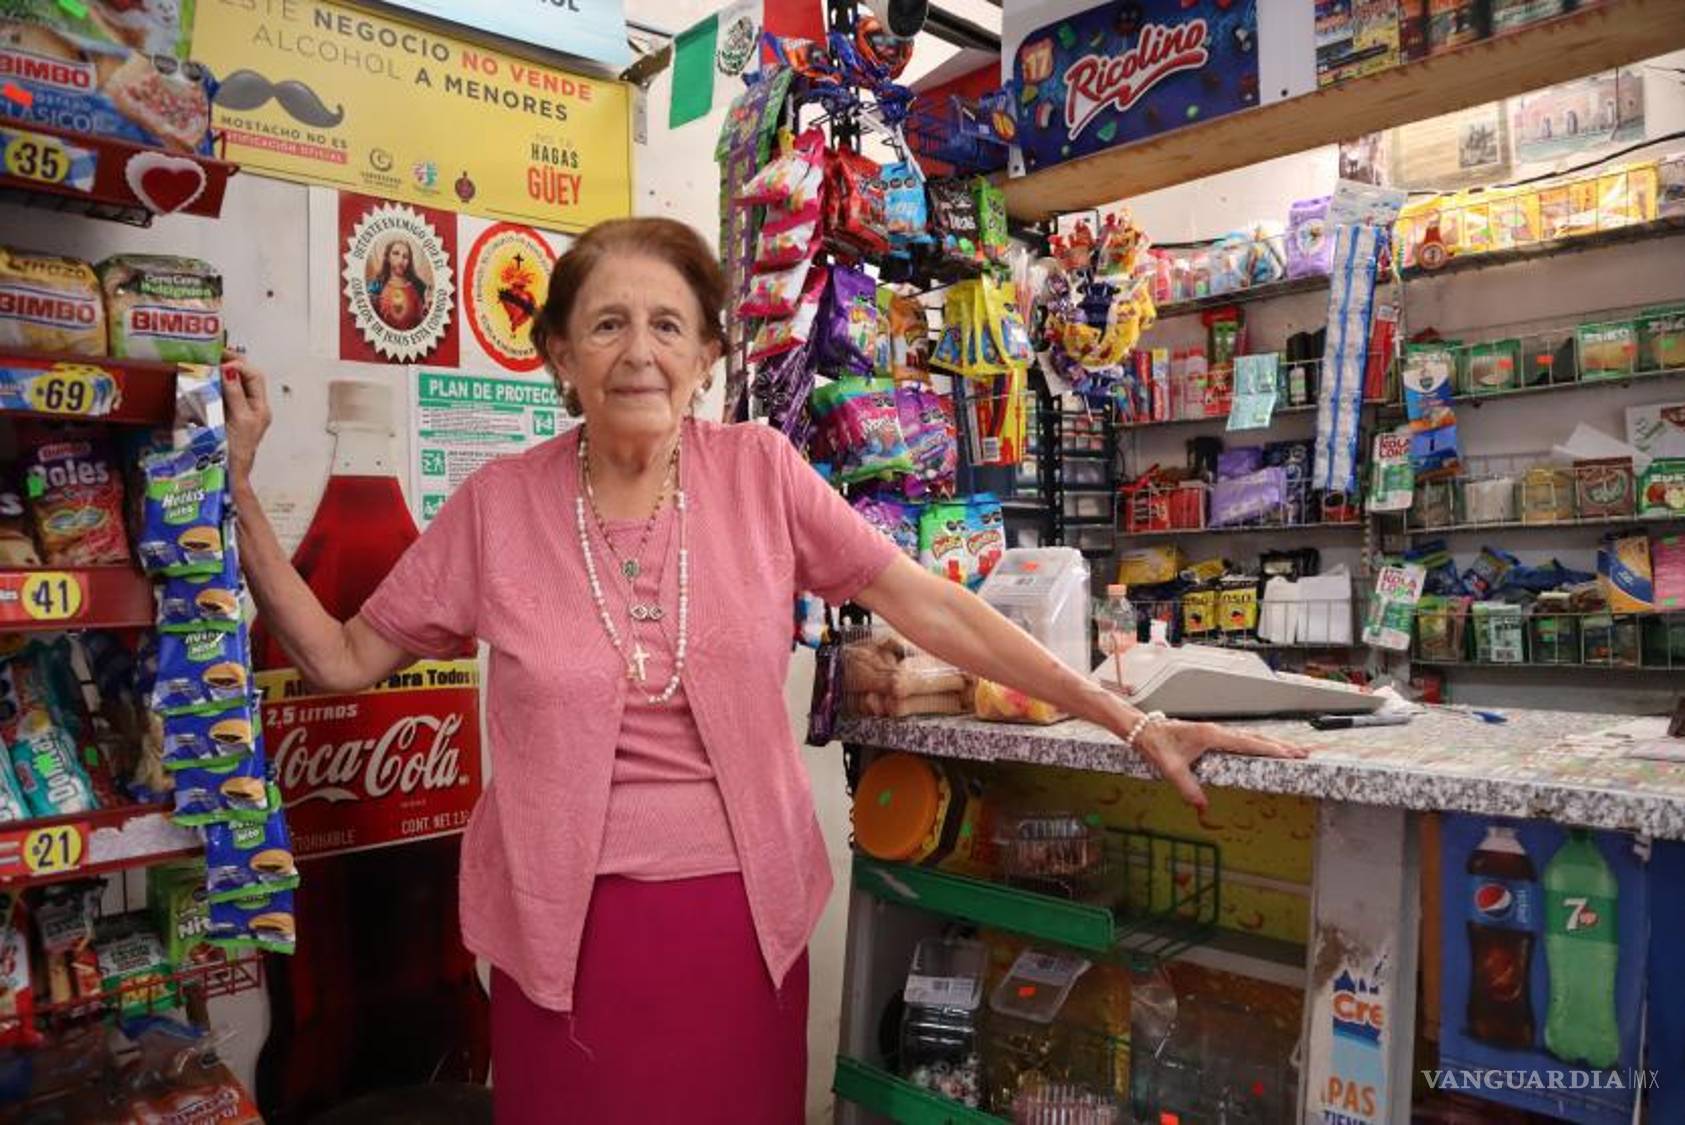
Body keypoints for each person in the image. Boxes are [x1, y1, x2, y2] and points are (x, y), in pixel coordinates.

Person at [224, 217, 1306, 1124]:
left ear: (705, 359)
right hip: (563, 933)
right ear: (558, 354)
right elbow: (341, 655)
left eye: (666, 326)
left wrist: (1124, 717)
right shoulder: (496, 508)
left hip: (733, 923)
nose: (637, 351)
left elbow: (928, 604)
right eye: (605, 325)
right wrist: (235, 487)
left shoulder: (758, 473)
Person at [367, 238, 427, 330]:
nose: (401, 260)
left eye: (405, 256)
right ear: (387, 257)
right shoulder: (377, 286)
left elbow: (422, 320)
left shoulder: (418, 286)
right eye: (396, 253)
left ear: (409, 261)